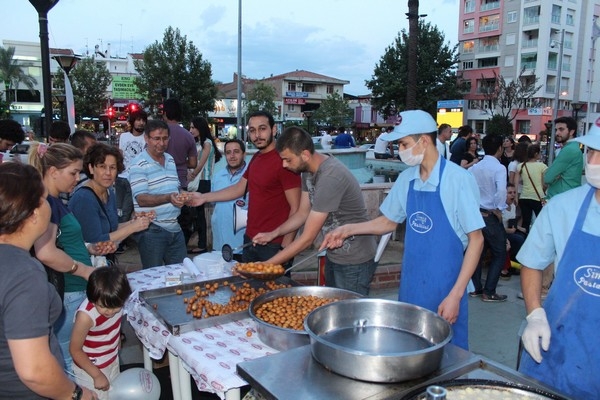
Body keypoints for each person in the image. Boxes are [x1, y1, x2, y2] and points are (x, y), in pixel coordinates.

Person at [321, 110, 484, 350]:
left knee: (448, 356)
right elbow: (388, 222)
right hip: (412, 283)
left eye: (404, 143)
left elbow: (477, 240)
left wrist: (456, 295)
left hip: (446, 287)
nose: (400, 149)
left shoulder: (458, 180)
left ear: (424, 141)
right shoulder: (407, 179)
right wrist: (347, 229)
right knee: (410, 349)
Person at [516, 119, 600, 399]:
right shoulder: (563, 207)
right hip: (555, 345)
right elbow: (532, 262)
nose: (593, 162)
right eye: (590, 152)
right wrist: (535, 314)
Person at [0, 163, 96, 400]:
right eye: (44, 200)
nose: (49, 206)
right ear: (33, 213)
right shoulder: (23, 274)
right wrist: (75, 394)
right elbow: (34, 371)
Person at [254, 127, 377, 295]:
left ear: (305, 154)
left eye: (288, 160)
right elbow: (302, 214)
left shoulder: (330, 177)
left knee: (349, 315)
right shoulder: (307, 172)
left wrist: (267, 265)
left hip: (355, 258)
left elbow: (307, 238)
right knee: (335, 307)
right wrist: (273, 234)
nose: (284, 165)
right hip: (335, 253)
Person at [29, 142, 113, 374]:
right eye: (73, 173)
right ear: (53, 172)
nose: (77, 179)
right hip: (68, 288)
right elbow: (46, 251)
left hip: (73, 286)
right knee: (68, 359)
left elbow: (63, 241)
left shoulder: (56, 201)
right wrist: (85, 270)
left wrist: (89, 249)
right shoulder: (47, 203)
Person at [189, 110, 301, 263]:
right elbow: (238, 189)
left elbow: (296, 209)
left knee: (275, 288)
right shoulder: (256, 158)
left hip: (274, 245)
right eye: (253, 130)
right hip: (250, 241)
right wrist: (203, 197)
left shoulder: (285, 161)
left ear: (274, 129)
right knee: (247, 286)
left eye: (262, 128)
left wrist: (285, 249)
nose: (257, 135)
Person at [70, 143, 152, 263]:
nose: (108, 173)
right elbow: (96, 242)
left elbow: (111, 228)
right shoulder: (84, 198)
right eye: (102, 166)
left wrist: (134, 222)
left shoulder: (109, 193)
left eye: (112, 167)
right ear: (91, 168)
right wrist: (132, 227)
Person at [129, 119, 188, 268]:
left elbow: (174, 188)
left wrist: (184, 195)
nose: (161, 143)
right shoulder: (138, 163)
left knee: (179, 274)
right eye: (156, 139)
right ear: (146, 139)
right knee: (153, 277)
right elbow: (141, 199)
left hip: (175, 227)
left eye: (165, 138)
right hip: (152, 230)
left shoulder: (170, 159)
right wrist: (169, 198)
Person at [70, 267, 132, 399]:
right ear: (92, 299)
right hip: (90, 368)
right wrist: (97, 375)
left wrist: (118, 339)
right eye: (103, 306)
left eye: (115, 307)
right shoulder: (86, 317)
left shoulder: (116, 301)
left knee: (113, 395)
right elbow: (75, 350)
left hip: (111, 359)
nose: (110, 312)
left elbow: (115, 322)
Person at [468, 134, 508, 302]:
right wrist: (499, 208)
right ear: (500, 148)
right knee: (500, 252)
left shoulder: (474, 168)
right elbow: (501, 191)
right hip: (490, 214)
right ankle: (489, 291)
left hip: (476, 214)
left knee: (477, 251)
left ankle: (476, 288)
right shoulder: (499, 168)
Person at [163, 98, 197, 246]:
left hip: (161, 183)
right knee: (181, 222)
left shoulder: (159, 135)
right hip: (181, 182)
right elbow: (193, 163)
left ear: (164, 113)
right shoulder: (188, 135)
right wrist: (181, 162)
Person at [187, 117, 222, 254]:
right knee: (198, 214)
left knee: (200, 214)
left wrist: (192, 175)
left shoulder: (206, 143)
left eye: (193, 128)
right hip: (201, 181)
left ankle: (202, 244)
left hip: (203, 181)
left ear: (199, 128)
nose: (191, 130)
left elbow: (201, 163)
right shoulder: (200, 143)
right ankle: (201, 242)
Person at [211, 139, 248, 261]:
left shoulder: (252, 175)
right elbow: (214, 204)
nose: (232, 156)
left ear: (244, 154)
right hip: (220, 244)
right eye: (228, 152)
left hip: (243, 245)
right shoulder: (217, 176)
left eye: (236, 152)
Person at [543, 116, 583, 200]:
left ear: (571, 132)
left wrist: (554, 175)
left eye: (561, 129)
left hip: (562, 198)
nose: (557, 133)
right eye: (556, 130)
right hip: (567, 197)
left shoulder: (569, 150)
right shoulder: (573, 148)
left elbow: (548, 177)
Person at [514, 143, 548, 233]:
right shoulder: (542, 166)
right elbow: (545, 183)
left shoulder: (521, 166)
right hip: (537, 197)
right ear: (536, 154)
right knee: (541, 221)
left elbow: (515, 183)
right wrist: (543, 191)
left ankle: (524, 241)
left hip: (524, 197)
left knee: (526, 222)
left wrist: (516, 197)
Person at [500, 183, 526, 279]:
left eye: (514, 192)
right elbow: (499, 226)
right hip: (501, 232)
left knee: (524, 236)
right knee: (518, 239)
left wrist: (519, 228)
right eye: (510, 193)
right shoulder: (500, 208)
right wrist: (509, 230)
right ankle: (510, 264)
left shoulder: (513, 206)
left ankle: (515, 262)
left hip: (509, 231)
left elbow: (513, 222)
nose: (513, 195)